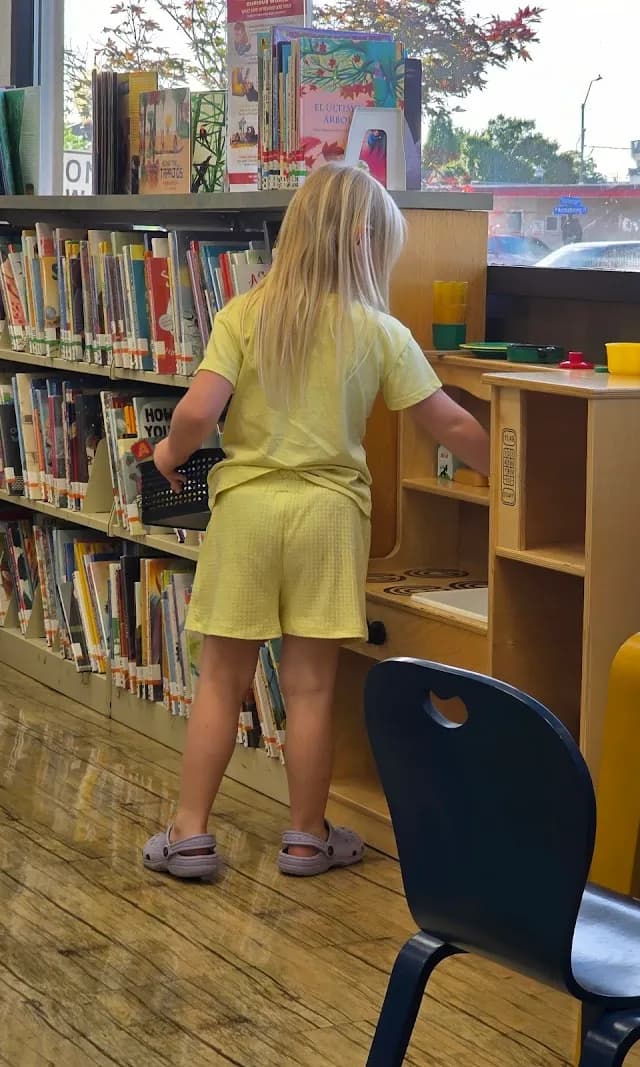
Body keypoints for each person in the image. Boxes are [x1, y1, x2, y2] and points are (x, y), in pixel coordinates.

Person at [142, 163, 490, 880]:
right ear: (364, 243)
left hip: (246, 512)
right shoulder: (380, 330)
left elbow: (201, 411)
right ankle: (305, 836)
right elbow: (450, 420)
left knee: (219, 680)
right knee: (310, 690)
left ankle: (189, 834)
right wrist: (514, 478)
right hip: (330, 518)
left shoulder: (245, 314)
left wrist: (168, 455)